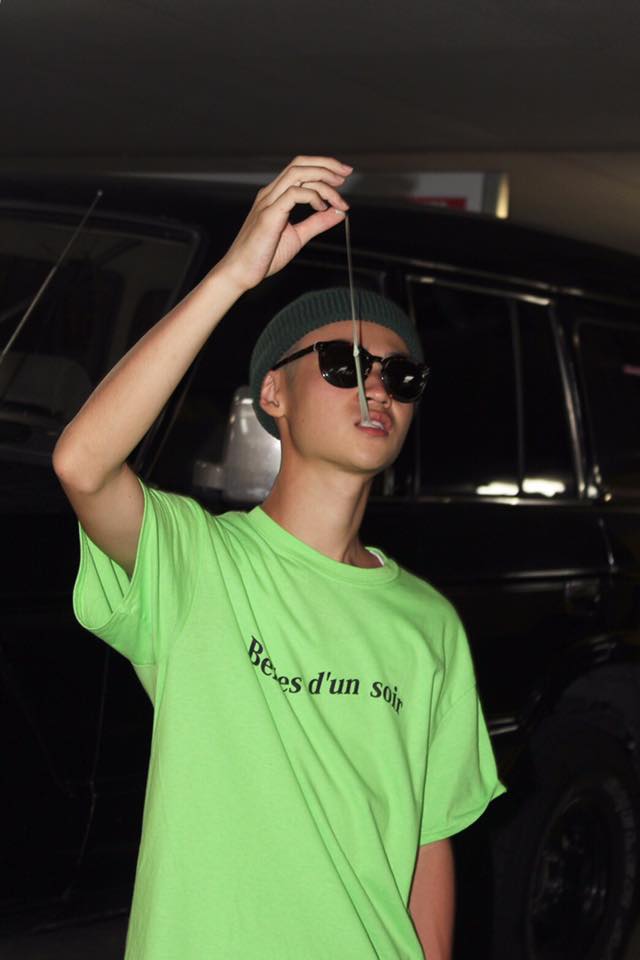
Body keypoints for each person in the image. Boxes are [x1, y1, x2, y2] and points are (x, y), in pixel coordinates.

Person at [53, 155, 506, 960]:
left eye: (401, 376)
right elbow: (83, 464)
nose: (377, 389)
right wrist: (234, 275)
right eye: (342, 365)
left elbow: (428, 837)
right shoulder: (197, 563)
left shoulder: (428, 620)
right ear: (273, 393)